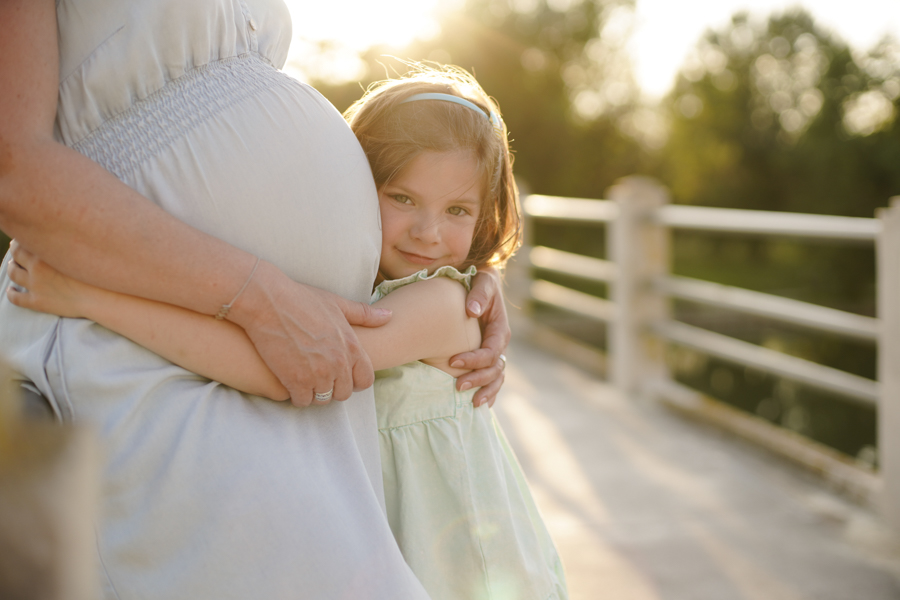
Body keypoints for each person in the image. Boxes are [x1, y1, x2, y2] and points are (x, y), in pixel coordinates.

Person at [0, 1, 509, 597]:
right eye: (400, 198)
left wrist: (91, 295)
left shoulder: (445, 306)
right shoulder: (435, 304)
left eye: (456, 211)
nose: (428, 233)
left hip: (446, 546)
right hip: (194, 353)